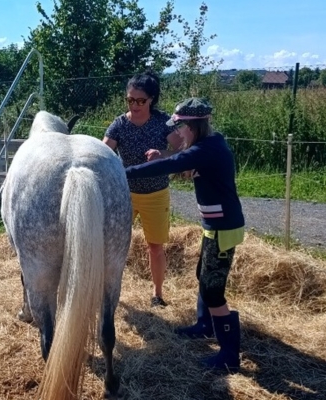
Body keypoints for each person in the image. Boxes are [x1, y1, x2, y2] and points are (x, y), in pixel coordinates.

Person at [124, 97, 245, 373]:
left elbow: (169, 165)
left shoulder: (207, 149)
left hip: (224, 228)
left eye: (179, 128)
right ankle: (205, 326)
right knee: (203, 276)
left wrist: (121, 172)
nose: (177, 133)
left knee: (214, 291)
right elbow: (176, 159)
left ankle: (229, 355)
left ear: (192, 126)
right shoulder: (208, 145)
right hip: (215, 225)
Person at [103, 71, 183, 307]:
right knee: (111, 244)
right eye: (130, 100)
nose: (135, 105)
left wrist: (163, 155)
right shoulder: (119, 124)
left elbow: (184, 150)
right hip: (123, 195)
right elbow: (104, 153)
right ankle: (107, 291)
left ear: (152, 100)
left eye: (141, 100)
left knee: (155, 247)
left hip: (156, 194)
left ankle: (157, 295)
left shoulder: (162, 122)